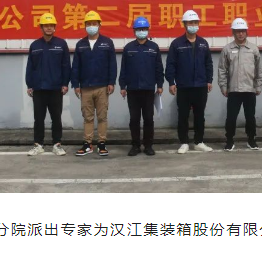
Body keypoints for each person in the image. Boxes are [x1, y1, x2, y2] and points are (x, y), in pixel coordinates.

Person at [165, 9, 214, 154]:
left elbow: (208, 63)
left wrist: (209, 80)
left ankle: (199, 142)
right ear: (184, 24)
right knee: (183, 115)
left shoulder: (203, 43)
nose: (193, 25)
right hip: (183, 86)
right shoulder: (177, 44)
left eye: (195, 22)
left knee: (200, 115)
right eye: (190, 23)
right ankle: (184, 142)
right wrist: (171, 82)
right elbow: (170, 64)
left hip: (200, 85)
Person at [71, 10, 117, 157]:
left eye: (94, 23)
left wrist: (111, 82)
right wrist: (75, 84)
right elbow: (76, 66)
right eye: (89, 24)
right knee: (88, 117)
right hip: (85, 87)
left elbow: (112, 64)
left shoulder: (107, 43)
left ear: (99, 25)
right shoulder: (81, 44)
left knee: (102, 117)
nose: (92, 26)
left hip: (102, 86)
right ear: (85, 26)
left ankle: (102, 143)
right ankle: (87, 144)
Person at [25, 13, 71, 156]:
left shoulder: (61, 44)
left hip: (56, 88)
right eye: (46, 26)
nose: (49, 28)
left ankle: (57, 144)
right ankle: (38, 145)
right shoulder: (35, 45)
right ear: (41, 28)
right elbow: (30, 67)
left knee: (56, 118)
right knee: (38, 119)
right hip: (39, 88)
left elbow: (66, 66)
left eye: (51, 25)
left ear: (55, 27)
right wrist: (29, 85)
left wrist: (65, 83)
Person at [217, 18, 262, 151]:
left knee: (250, 117)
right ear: (233, 32)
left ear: (246, 32)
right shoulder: (227, 49)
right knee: (231, 118)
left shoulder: (253, 49)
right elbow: (222, 69)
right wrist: (223, 86)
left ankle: (251, 140)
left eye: (243, 31)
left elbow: (259, 69)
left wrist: (258, 85)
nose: (241, 34)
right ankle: (229, 140)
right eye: (238, 31)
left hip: (250, 89)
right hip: (234, 89)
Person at [119, 16, 164, 156]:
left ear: (148, 30)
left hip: (149, 89)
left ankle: (148, 145)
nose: (141, 31)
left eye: (144, 29)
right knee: (134, 119)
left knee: (148, 119)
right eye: (139, 29)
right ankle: (135, 145)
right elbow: (124, 69)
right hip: (132, 89)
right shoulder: (128, 48)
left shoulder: (154, 47)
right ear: (134, 31)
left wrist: (160, 85)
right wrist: (122, 86)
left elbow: (159, 68)